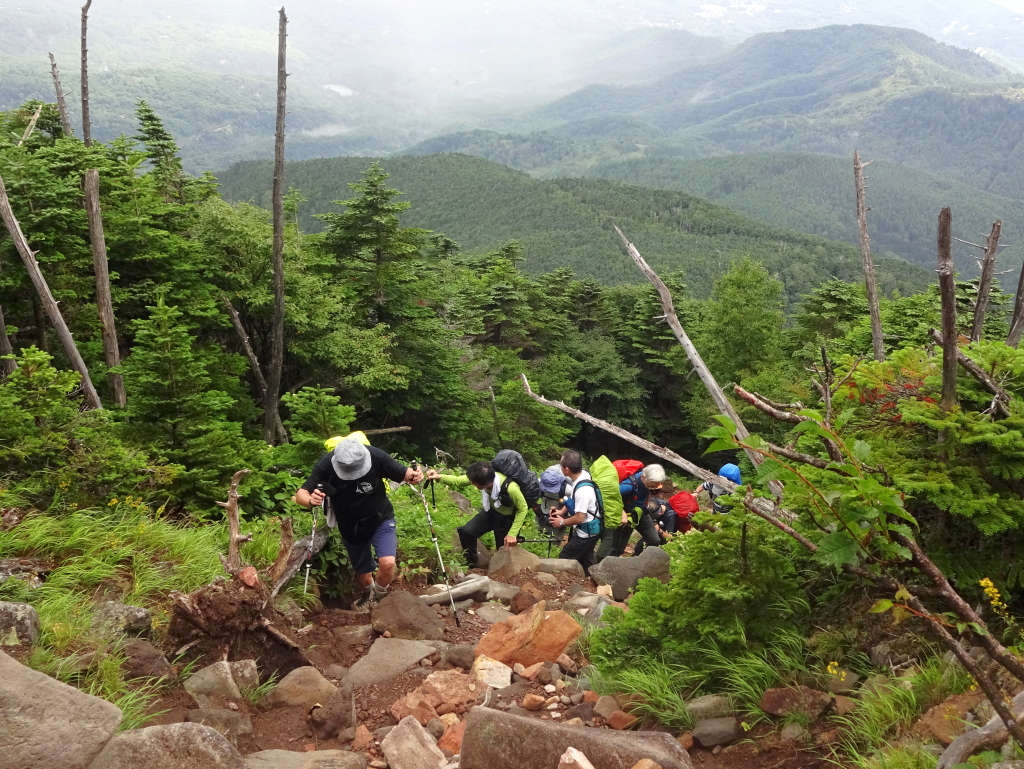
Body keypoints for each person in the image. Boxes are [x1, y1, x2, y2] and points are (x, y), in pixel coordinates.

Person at [296, 438, 423, 609]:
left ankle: (378, 596)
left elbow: (406, 474)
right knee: (363, 576)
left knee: (388, 563)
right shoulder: (327, 464)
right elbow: (301, 494)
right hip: (350, 525)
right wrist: (311, 500)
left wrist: (414, 475)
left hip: (380, 518)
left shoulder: (375, 455)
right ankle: (368, 594)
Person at [425, 460, 530, 568]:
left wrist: (512, 534)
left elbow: (523, 509)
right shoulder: (481, 476)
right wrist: (439, 477)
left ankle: (502, 575)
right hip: (490, 512)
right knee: (467, 532)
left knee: (503, 550)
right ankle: (471, 563)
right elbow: (458, 481)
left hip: (506, 519)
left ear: (485, 483)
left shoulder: (511, 488)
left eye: (473, 482)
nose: (471, 483)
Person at [548, 450, 602, 575]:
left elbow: (579, 518)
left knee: (565, 557)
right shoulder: (583, 475)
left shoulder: (582, 491)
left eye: (560, 465)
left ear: (566, 469)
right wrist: (562, 511)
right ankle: (595, 579)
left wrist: (561, 522)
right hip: (593, 529)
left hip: (586, 532)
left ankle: (565, 586)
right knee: (586, 559)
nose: (559, 467)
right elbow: (572, 499)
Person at [599, 463, 667, 558]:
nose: (654, 487)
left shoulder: (648, 482)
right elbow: (609, 497)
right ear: (644, 477)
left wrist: (647, 502)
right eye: (651, 485)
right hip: (626, 515)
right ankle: (608, 566)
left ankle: (642, 562)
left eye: (656, 485)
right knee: (617, 548)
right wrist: (622, 512)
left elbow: (647, 491)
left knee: (654, 540)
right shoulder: (628, 486)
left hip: (641, 512)